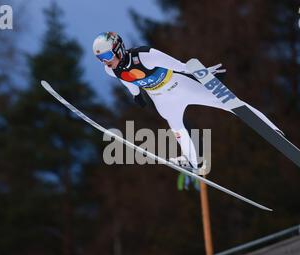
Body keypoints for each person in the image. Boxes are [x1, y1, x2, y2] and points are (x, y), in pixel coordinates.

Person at [92, 32, 283, 172]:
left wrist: (203, 74)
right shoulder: (111, 70)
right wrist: (136, 95)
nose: (105, 62)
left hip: (180, 86)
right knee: (177, 128)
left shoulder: (145, 55)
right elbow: (127, 80)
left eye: (107, 56)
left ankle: (271, 129)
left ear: (118, 49)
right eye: (100, 59)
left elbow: (180, 66)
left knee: (230, 103)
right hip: (161, 98)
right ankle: (195, 162)